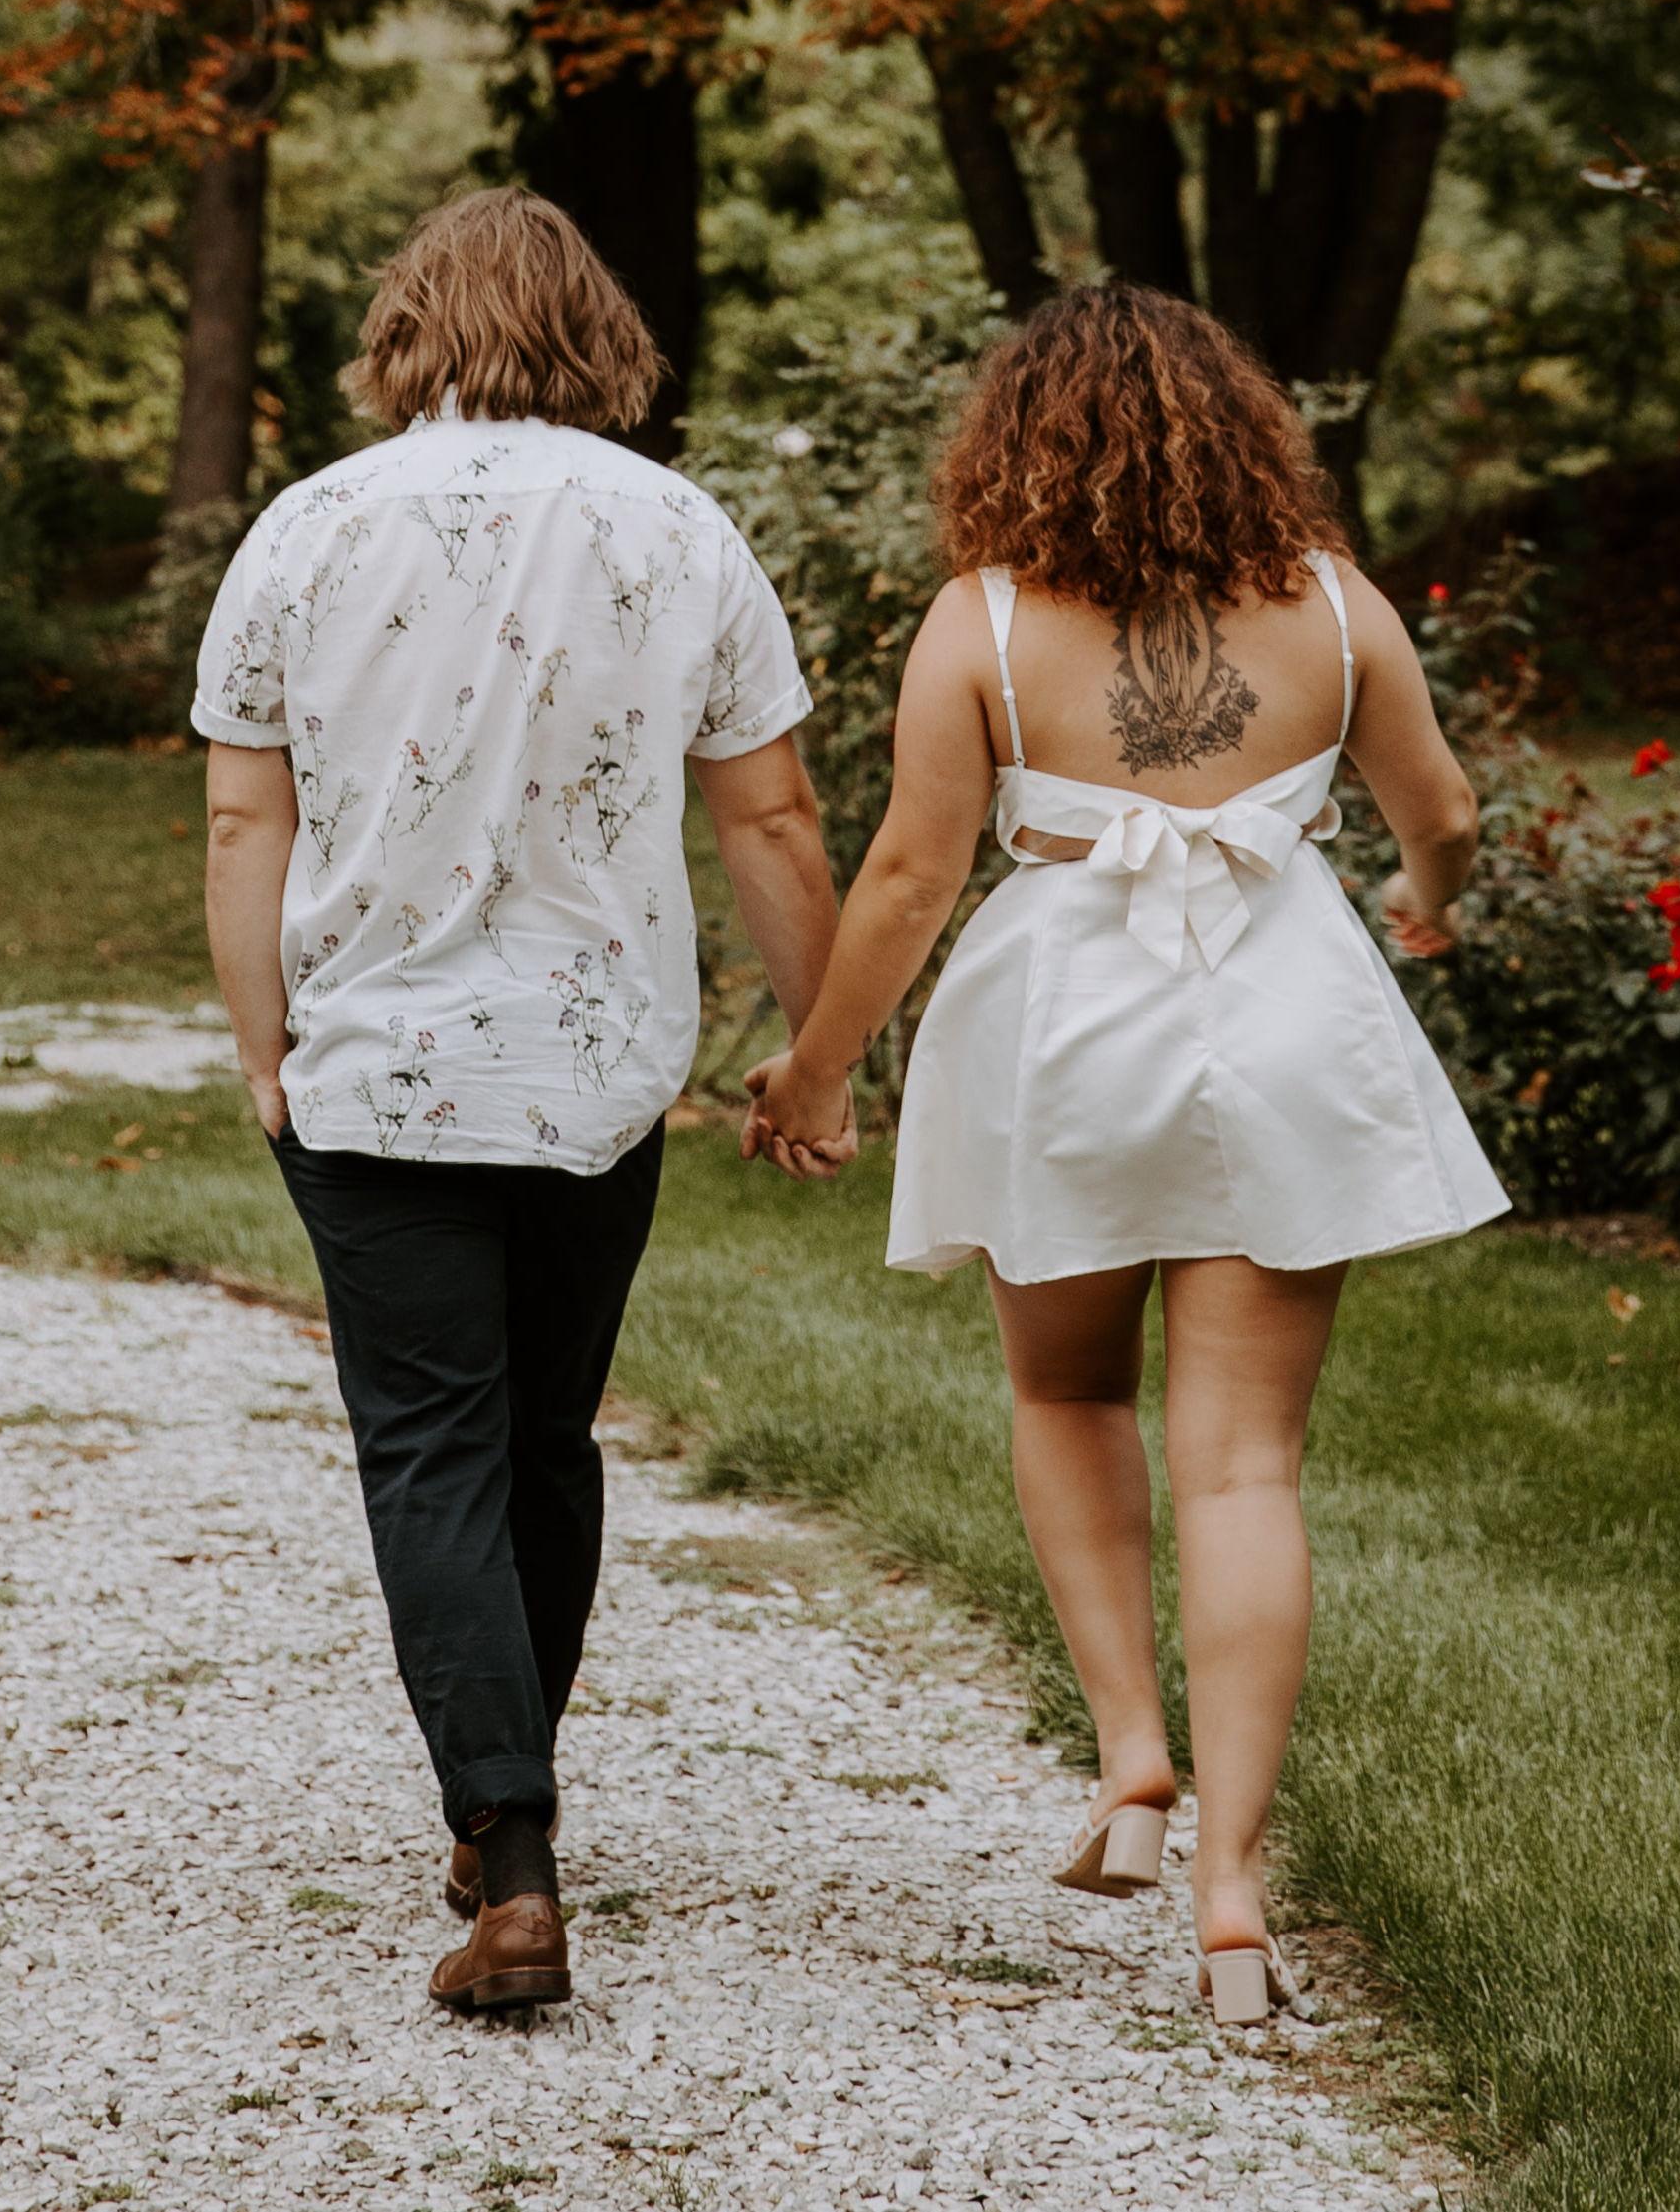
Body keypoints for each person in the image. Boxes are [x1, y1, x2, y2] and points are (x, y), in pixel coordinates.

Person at [740, 280, 1501, 2033]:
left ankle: (1132, 1752)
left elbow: (911, 875)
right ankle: (1232, 1896)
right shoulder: (1333, 602)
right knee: (1243, 1469)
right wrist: (1425, 898)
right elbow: (1445, 810)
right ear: (1241, 429)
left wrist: (816, 1070)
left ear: (1016, 442)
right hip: (1285, 1011)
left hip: (1063, 1028)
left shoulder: (986, 619)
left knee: (1068, 1390)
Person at [194, 187, 842, 2016]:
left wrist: (261, 1043)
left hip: (374, 1059)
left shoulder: (305, 526)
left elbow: (245, 817)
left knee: (430, 1443)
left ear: (407, 328)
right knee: (545, 1436)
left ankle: (512, 1844)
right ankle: (508, 1826)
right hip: (592, 1065)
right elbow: (772, 814)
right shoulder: (680, 526)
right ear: (598, 335)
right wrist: (821, 1049)